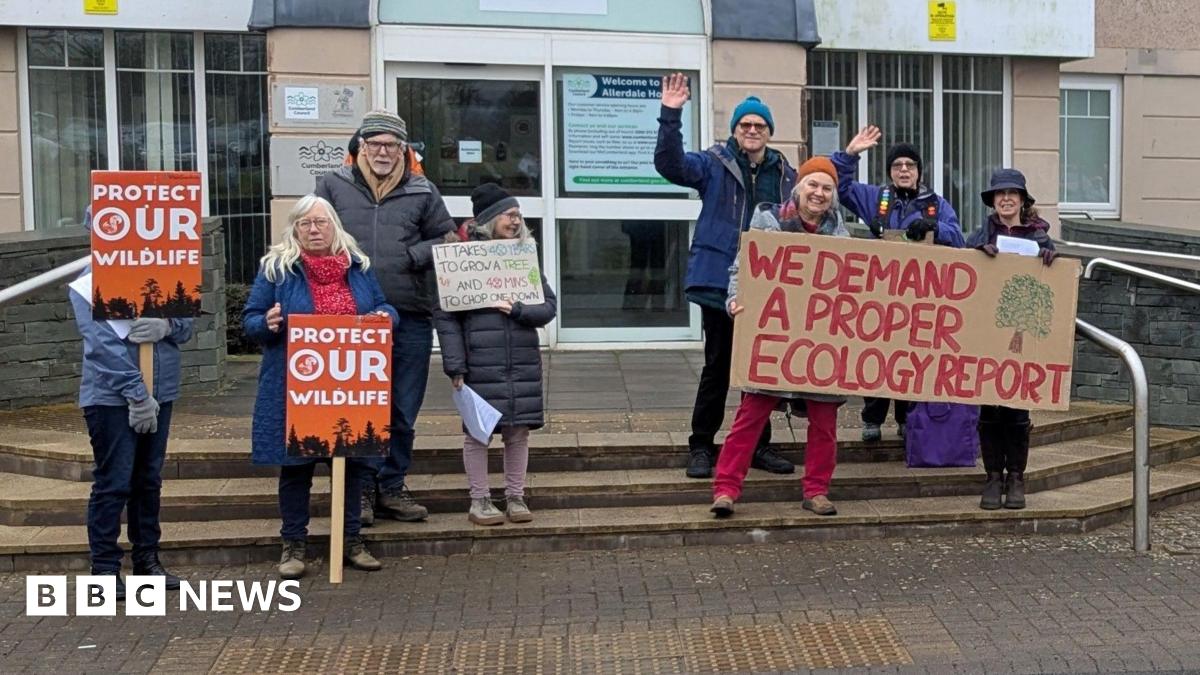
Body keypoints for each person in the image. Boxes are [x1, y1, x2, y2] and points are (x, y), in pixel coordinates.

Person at [243, 194, 398, 578]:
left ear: (334, 226)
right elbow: (249, 321)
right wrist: (268, 322)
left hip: (348, 386)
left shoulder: (358, 267)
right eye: (305, 224)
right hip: (297, 388)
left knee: (352, 466)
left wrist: (384, 318)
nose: (314, 230)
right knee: (295, 469)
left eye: (320, 223)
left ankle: (350, 541)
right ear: (294, 229)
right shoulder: (277, 269)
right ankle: (293, 544)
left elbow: (386, 307)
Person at [654, 72, 796, 480]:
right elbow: (670, 164)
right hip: (720, 282)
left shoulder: (787, 173)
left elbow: (814, 201)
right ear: (735, 130)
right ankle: (701, 445)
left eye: (759, 125)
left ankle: (758, 445)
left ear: (769, 132)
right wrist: (670, 115)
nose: (752, 130)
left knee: (760, 367)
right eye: (745, 124)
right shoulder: (713, 164)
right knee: (718, 366)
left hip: (768, 284)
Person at [316, 110, 455, 525]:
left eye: (391, 145)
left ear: (403, 151)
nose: (382, 151)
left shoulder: (422, 189)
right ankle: (358, 491)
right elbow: (311, 233)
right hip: (348, 318)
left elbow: (445, 239)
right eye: (374, 143)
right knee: (356, 407)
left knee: (401, 408)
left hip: (409, 316)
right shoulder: (332, 185)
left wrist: (412, 255)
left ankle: (391, 487)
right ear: (359, 146)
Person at [712, 157, 849, 518]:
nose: (818, 193)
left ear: (833, 195)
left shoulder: (840, 233)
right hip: (773, 338)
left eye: (826, 188)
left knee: (825, 422)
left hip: (821, 341)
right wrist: (734, 300)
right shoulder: (769, 221)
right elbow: (743, 266)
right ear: (798, 187)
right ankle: (726, 489)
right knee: (750, 417)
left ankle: (816, 490)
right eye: (813, 185)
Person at [70, 212, 194, 600]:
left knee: (148, 480)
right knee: (114, 483)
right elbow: (101, 348)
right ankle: (105, 569)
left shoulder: (166, 273)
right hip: (111, 399)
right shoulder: (89, 284)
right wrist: (136, 394)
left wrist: (168, 326)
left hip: (163, 391)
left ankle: (147, 562)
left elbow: (188, 326)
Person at [831, 125, 966, 443]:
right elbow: (838, 185)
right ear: (889, 171)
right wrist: (849, 155)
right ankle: (872, 419)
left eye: (910, 165)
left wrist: (934, 227)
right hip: (880, 295)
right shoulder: (876, 198)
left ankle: (908, 418)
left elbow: (958, 239)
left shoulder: (937, 204)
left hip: (921, 298)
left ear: (919, 170)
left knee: (911, 360)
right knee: (877, 357)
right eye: (897, 166)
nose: (904, 170)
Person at [434, 184, 558, 525]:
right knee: (478, 432)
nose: (516, 221)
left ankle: (515, 497)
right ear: (490, 220)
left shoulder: (523, 257)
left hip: (520, 362)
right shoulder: (461, 260)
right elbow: (446, 316)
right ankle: (480, 500)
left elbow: (548, 307)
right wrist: (456, 365)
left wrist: (518, 310)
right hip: (480, 361)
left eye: (519, 215)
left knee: (518, 432)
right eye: (510, 215)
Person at [966, 168, 1056, 510]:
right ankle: (992, 477)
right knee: (989, 409)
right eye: (999, 194)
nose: (1006, 199)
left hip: (1023, 335)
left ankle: (1016, 477)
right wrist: (978, 256)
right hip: (987, 335)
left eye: (1012, 194)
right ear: (993, 201)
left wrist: (1051, 262)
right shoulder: (978, 236)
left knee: (1017, 410)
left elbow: (1053, 285)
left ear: (1022, 200)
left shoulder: (1041, 239)